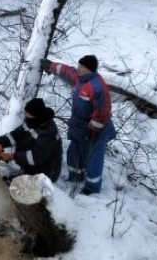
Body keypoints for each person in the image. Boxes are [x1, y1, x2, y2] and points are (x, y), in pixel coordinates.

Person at [42, 54, 115, 195]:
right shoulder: (80, 78)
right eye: (79, 65)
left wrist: (92, 130)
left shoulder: (97, 87)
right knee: (73, 152)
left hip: (96, 130)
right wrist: (50, 65)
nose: (78, 68)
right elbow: (66, 70)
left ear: (90, 70)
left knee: (93, 158)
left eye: (81, 66)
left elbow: (103, 112)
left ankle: (92, 188)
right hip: (80, 126)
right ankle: (76, 176)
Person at [0, 97, 63, 182]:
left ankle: (29, 179)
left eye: (27, 114)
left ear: (36, 116)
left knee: (15, 186)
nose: (25, 115)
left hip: (46, 172)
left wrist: (11, 156)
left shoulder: (48, 133)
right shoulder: (31, 121)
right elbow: (16, 135)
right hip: (33, 164)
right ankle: (25, 172)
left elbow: (36, 157)